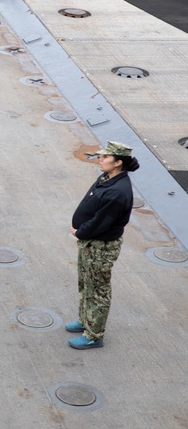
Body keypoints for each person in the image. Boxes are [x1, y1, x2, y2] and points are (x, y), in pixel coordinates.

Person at [65, 141, 139, 349]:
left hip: (101, 246)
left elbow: (101, 221)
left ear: (118, 163)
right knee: (85, 282)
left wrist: (80, 231)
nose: (100, 160)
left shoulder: (118, 192)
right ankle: (86, 319)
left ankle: (94, 335)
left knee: (98, 289)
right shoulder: (106, 178)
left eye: (105, 157)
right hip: (91, 243)